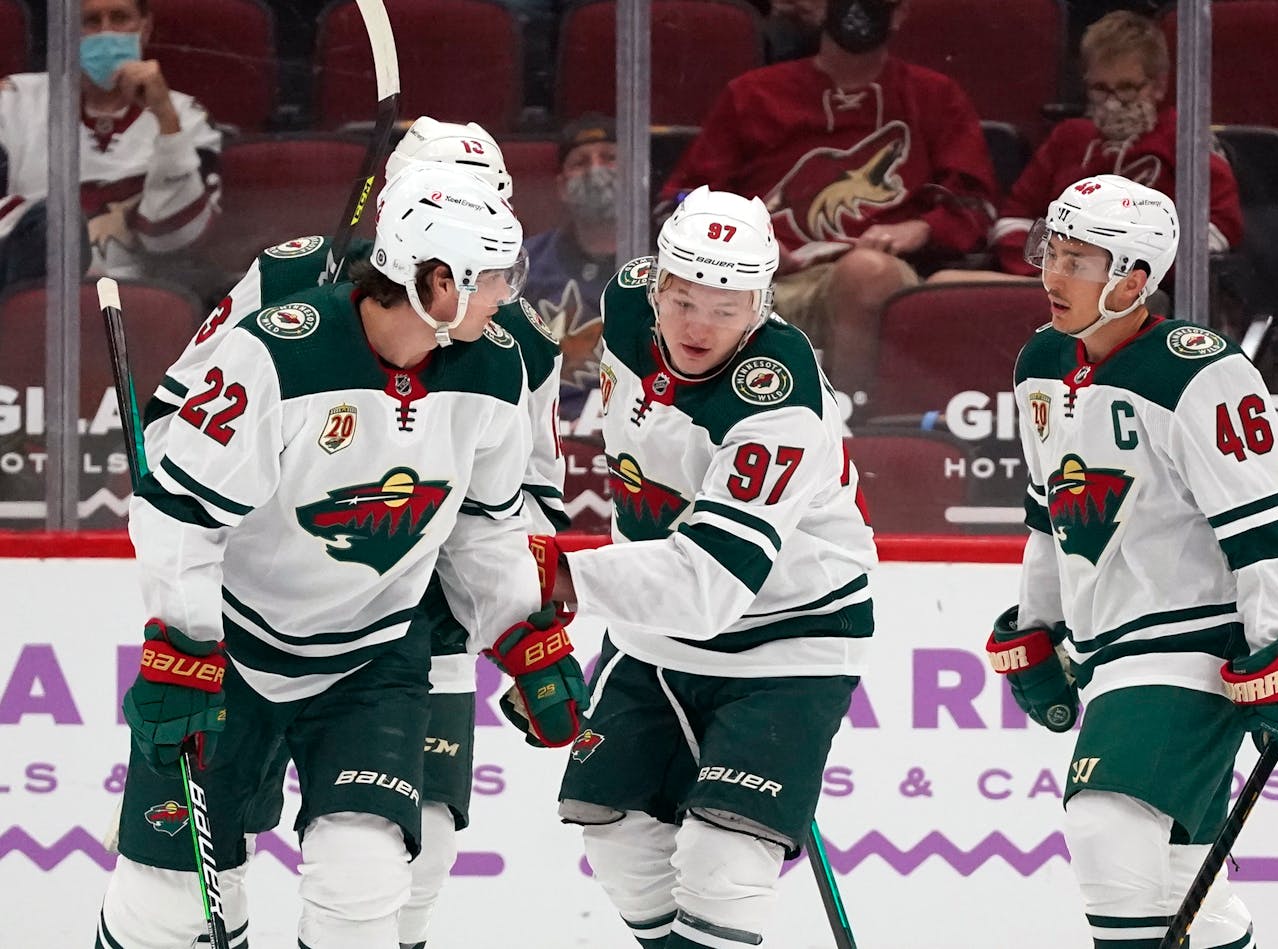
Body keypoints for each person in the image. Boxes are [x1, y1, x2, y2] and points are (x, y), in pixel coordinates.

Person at [93, 162, 587, 949]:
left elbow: (484, 529)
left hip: (372, 661)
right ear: (434, 280)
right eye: (491, 277)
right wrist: (181, 647)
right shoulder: (277, 357)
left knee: (364, 884)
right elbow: (180, 513)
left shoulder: (495, 366)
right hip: (236, 650)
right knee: (169, 906)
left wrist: (525, 637)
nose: (505, 296)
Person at [986, 175, 1278, 948]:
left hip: (1194, 646)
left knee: (1105, 822)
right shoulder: (1041, 363)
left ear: (1135, 279)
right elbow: (1047, 511)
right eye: (1053, 251)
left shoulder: (1200, 372)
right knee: (1182, 880)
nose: (1053, 274)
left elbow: (1266, 529)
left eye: (1079, 260)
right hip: (1110, 650)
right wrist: (1039, 623)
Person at [529, 186, 876, 949]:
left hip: (790, 631)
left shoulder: (777, 404)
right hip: (655, 633)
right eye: (684, 299)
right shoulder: (625, 305)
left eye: (726, 306)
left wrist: (561, 577)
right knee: (613, 831)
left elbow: (707, 588)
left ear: (760, 302)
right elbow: (524, 367)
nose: (700, 325)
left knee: (724, 856)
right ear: (655, 282)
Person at [658, 0, 997, 402]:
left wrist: (922, 228)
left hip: (884, 279)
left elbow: (979, 208)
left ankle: (848, 422)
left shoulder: (935, 96)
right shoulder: (752, 94)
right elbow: (679, 202)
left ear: (901, 12)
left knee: (866, 273)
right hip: (769, 283)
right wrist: (743, 246)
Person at [989, 10, 1242, 277]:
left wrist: (1133, 269)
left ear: (1158, 85)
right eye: (1100, 88)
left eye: (1127, 87)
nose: (1113, 102)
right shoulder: (1068, 139)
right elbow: (1013, 221)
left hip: (1148, 292)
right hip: (1059, 286)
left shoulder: (1186, 138)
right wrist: (1053, 268)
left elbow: (1221, 225)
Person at [0, 0, 221, 289]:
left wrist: (166, 121)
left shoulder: (187, 118)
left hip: (141, 302)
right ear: (65, 31)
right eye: (91, 21)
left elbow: (175, 240)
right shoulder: (12, 102)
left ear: (145, 28)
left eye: (119, 18)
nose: (106, 33)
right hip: (31, 297)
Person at [522, 113, 619, 425]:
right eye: (580, 162)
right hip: (543, 429)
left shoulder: (662, 262)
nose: (596, 171)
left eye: (609, 158)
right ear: (562, 187)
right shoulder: (523, 265)